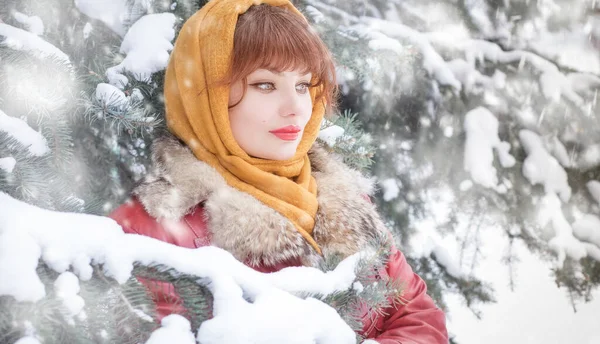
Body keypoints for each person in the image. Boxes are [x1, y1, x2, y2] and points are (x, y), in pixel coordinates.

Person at [109, 0, 449, 342]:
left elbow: (419, 317)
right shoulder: (151, 228)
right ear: (205, 94)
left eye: (303, 86)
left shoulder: (340, 198)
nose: (295, 109)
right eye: (265, 85)